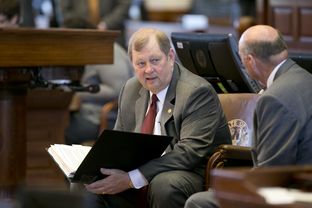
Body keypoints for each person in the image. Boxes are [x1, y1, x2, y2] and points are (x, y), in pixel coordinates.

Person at [77, 28, 232, 208]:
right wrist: (96, 168)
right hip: (139, 170)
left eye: (155, 60)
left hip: (189, 172)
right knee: (86, 182)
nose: (149, 70)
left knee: (164, 185)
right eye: (140, 63)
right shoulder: (131, 88)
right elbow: (118, 140)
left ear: (171, 57)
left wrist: (131, 179)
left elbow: (188, 153)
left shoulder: (196, 92)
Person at [184, 24, 312, 208]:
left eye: (242, 61)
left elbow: (271, 173)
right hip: (301, 181)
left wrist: (232, 186)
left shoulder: (274, 98)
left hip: (294, 191)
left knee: (198, 202)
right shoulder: (305, 77)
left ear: (250, 60)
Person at [62, 17, 134, 145]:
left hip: (105, 118)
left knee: (61, 130)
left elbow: (117, 90)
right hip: (92, 113)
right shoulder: (96, 49)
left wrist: (77, 92)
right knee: (58, 121)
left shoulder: (107, 51)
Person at [54, 0, 131, 48]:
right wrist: (81, 27)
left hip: (112, 37)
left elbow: (124, 5)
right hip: (77, 39)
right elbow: (64, 10)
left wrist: (105, 24)